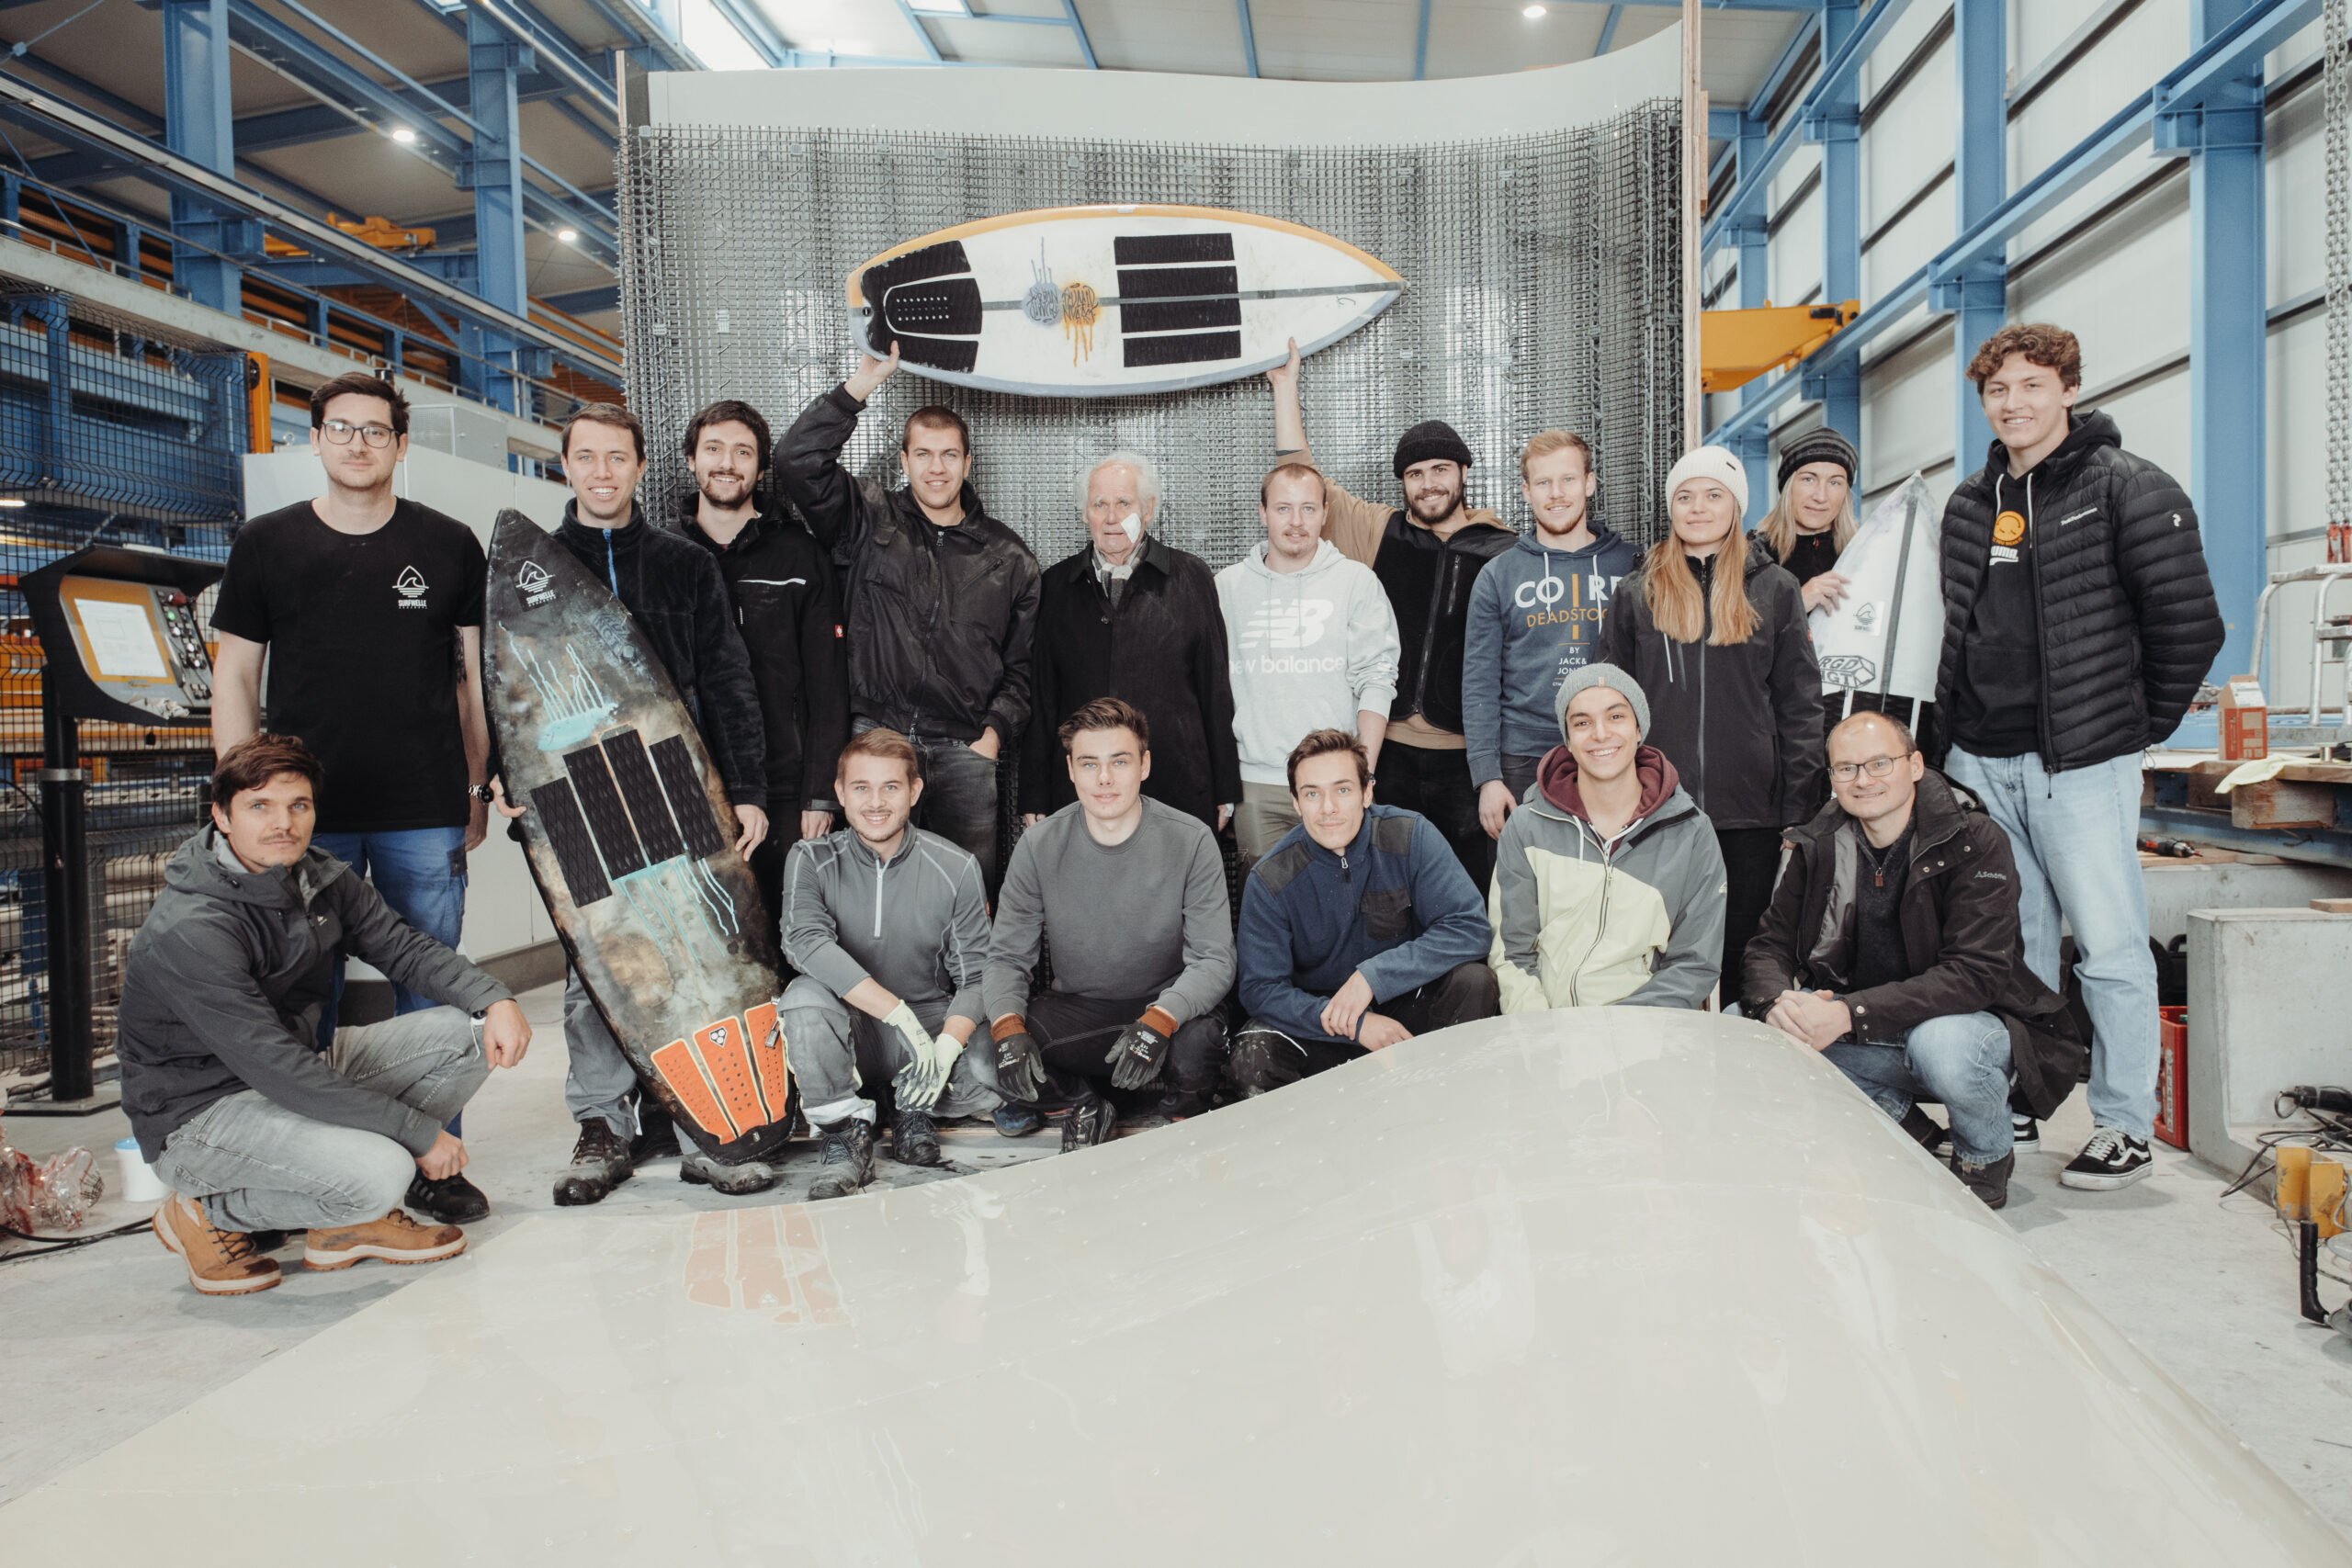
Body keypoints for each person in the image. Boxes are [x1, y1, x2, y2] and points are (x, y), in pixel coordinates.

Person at [1934, 322, 2224, 1190]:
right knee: (2014, 945)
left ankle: (2125, 1122)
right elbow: (1955, 630)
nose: (2013, 403)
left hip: (2080, 762)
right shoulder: (1970, 502)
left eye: (2032, 384)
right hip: (1981, 759)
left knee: (2108, 944)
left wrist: (2128, 726)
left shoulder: (2127, 486)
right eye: (1998, 390)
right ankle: (2024, 1092)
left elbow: (2189, 625)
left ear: (2068, 389)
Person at [209, 372, 495, 1223]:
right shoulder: (267, 544)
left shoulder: (448, 544)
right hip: (305, 819)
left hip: (423, 807)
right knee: (304, 996)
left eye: (376, 430)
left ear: (401, 445)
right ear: (316, 439)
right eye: (342, 428)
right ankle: (319, 1167)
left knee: (432, 989)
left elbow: (472, 681)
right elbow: (236, 674)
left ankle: (436, 1163)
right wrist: (241, 796)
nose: (359, 444)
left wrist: (476, 783)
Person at [119, 735, 531, 1296]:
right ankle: (205, 1211)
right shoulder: (192, 927)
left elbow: (403, 948)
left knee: (470, 1033)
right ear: (221, 816)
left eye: (299, 805)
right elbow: (274, 1066)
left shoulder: (317, 876)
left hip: (293, 1064)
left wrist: (494, 998)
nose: (282, 823)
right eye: (259, 806)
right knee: (384, 1172)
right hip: (201, 1112)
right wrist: (415, 1134)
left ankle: (344, 1222)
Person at [492, 401, 772, 1206]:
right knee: (597, 962)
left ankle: (701, 1127)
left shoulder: (686, 564)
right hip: (578, 796)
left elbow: (728, 680)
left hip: (670, 781)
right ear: (566, 465)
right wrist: (502, 781)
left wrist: (747, 790)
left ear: (642, 467)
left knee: (698, 945)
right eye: (587, 457)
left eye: (618, 457)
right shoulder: (529, 573)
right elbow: (505, 694)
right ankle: (603, 1125)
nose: (603, 472)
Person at [1743, 712, 2086, 1210]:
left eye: (1879, 763)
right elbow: (1769, 944)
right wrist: (1779, 1004)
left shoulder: (1974, 839)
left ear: (1916, 765)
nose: (1863, 780)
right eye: (1846, 769)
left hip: (1967, 1029)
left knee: (1940, 1044)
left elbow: (1977, 973)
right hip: (1870, 1030)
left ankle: (1983, 1156)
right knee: (1752, 1029)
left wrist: (1848, 1013)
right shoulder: (1819, 843)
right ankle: (1908, 1126)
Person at [775, 342, 1040, 893]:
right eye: (923, 454)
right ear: (903, 461)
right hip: (876, 741)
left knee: (966, 898)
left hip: (964, 754)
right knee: (871, 896)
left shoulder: (1010, 558)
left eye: (949, 455)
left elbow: (1022, 670)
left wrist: (991, 736)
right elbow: (795, 461)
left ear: (968, 463)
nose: (936, 468)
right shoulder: (868, 518)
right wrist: (859, 387)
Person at [1269, 339, 1517, 888]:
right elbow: (1301, 475)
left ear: (1464, 472)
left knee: (1466, 889)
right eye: (1415, 474)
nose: (1429, 484)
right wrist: (1286, 389)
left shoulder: (1504, 549)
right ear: (1402, 483)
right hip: (1390, 752)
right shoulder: (1380, 531)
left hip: (1467, 759)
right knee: (1386, 890)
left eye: (1440, 469)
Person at [1597, 446, 1821, 1003]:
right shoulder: (1637, 592)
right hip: (1658, 810)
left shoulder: (1776, 589)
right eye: (1685, 496)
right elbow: (1610, 704)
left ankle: (1741, 1052)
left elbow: (1800, 706)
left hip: (1750, 813)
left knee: (1746, 954)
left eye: (1713, 495)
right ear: (1670, 507)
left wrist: (1798, 811)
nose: (1698, 507)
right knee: (1661, 957)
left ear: (1736, 505)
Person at [985, 698, 1235, 1152]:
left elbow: (1215, 959)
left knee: (1200, 1048)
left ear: (1144, 765)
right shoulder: (1039, 845)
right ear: (1071, 770)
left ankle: (1181, 1123)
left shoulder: (1192, 839)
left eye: (1119, 761)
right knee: (992, 1054)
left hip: (1170, 1009)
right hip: (1082, 1013)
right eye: (1089, 763)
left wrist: (1160, 1019)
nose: (1104, 778)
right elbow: (1006, 957)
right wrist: (1006, 1027)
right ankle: (1085, 1104)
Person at [779, 728, 1005, 1202]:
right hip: (851, 1030)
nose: (876, 802)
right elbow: (805, 943)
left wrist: (946, 1045)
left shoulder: (957, 866)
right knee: (802, 1000)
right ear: (840, 793)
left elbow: (978, 975)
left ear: (914, 791)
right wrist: (895, 1013)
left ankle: (912, 1104)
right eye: (861, 787)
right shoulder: (810, 858)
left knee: (996, 1067)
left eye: (891, 787)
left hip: (927, 1030)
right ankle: (845, 1135)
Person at [1231, 728, 1498, 1094]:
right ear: (1296, 802)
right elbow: (1260, 989)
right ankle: (1321, 1124)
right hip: (1321, 1026)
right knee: (1252, 1056)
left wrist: (1371, 978)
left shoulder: (1411, 836)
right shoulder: (1270, 878)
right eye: (1312, 793)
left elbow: (1470, 927)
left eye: (1342, 790)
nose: (1328, 808)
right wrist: (1355, 1025)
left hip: (1403, 1015)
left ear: (1367, 792)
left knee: (1474, 982)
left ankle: (1445, 1102)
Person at [678, 399, 851, 921]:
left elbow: (829, 682)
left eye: (743, 451)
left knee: (788, 930)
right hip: (687, 781)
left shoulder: (799, 553)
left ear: (761, 466)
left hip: (784, 787)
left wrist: (819, 795)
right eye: (713, 449)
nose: (727, 463)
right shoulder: (664, 554)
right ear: (691, 459)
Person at [1023, 451, 1240, 832]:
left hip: (1178, 781)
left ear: (1148, 509)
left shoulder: (1191, 576)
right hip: (1083, 790)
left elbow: (1215, 689)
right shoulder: (1055, 585)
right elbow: (1042, 698)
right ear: (1085, 513)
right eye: (1099, 504)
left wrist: (1225, 785)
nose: (1111, 517)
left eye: (1124, 503)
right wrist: (1034, 792)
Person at [1488, 665, 1726, 1010]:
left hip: (1646, 1030)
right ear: (1568, 740)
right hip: (1547, 1028)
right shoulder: (1527, 827)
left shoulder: (1690, 832)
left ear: (1638, 728)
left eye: (1616, 716)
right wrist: (1541, 1030)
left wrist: (1615, 1031)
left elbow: (1694, 964)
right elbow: (1512, 952)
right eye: (1582, 722)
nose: (1600, 734)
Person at [1216, 462, 1400, 864]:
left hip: (1335, 781)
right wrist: (1222, 786)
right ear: (1263, 512)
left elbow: (1377, 679)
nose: (1296, 522)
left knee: (1344, 894)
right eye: (1283, 508)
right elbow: (1211, 691)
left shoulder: (1356, 582)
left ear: (1325, 513)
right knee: (1267, 896)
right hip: (1256, 783)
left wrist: (1362, 774)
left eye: (1308, 509)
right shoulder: (1226, 588)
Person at [1464, 429, 1639, 849]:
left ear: (1589, 483)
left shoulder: (1633, 565)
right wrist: (1488, 777)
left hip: (1613, 749)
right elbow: (1479, 682)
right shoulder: (1498, 575)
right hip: (1525, 759)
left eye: (1568, 479)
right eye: (1543, 482)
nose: (1556, 494)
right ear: (1527, 491)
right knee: (1526, 882)